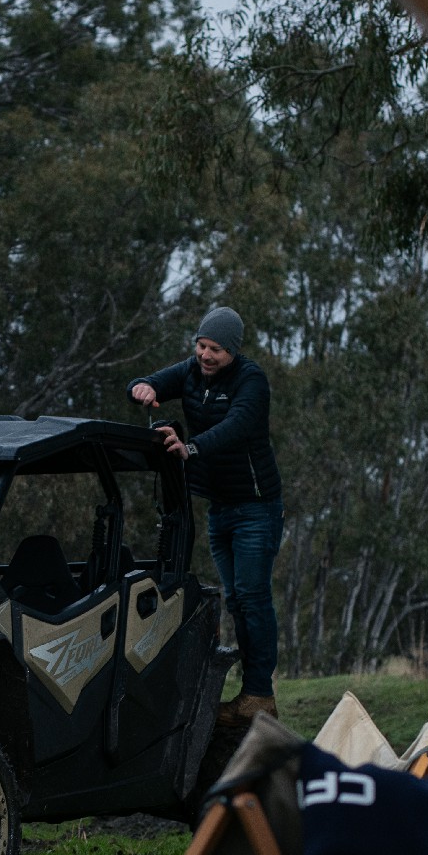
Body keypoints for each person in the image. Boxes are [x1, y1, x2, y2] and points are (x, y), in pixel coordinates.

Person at [130, 305, 283, 724]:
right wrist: (142, 387)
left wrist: (190, 448)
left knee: (253, 598)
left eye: (216, 349)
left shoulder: (251, 381)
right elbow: (148, 382)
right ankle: (253, 696)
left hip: (256, 508)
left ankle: (259, 694)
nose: (206, 355)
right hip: (221, 508)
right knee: (235, 598)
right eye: (201, 345)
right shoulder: (191, 372)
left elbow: (235, 426)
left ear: (233, 351)